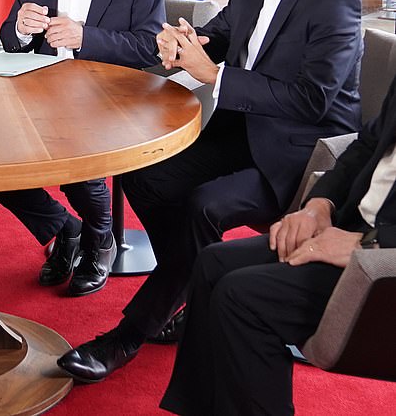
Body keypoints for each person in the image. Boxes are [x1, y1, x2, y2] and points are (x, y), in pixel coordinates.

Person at [58, 0, 363, 383]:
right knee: (144, 171)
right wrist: (180, 42)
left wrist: (213, 73)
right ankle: (179, 287)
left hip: (301, 155)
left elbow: (312, 102)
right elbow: (212, 39)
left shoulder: (334, 0)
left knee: (205, 206)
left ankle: (127, 336)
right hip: (242, 134)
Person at [161, 71, 396, 415]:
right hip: (350, 227)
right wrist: (320, 205)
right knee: (213, 264)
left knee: (242, 298)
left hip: (382, 265)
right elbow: (366, 144)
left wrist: (365, 244)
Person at [0, 0, 164, 296]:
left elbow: (150, 49)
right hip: (42, 90)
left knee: (70, 143)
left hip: (111, 96)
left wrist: (85, 37)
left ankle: (98, 236)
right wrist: (19, 26)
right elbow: (11, 37)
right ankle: (62, 227)